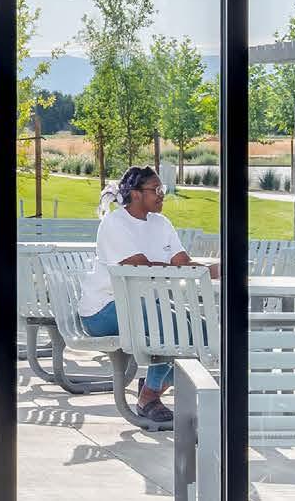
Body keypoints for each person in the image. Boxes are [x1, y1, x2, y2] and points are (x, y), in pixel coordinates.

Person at [78, 165, 207, 431]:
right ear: (136, 194)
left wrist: (214, 270)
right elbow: (139, 267)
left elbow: (182, 263)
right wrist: (177, 270)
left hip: (146, 307)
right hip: (104, 309)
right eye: (156, 190)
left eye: (163, 189)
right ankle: (149, 396)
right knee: (172, 325)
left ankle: (153, 385)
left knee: (203, 329)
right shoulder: (115, 223)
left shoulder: (161, 223)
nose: (162, 195)